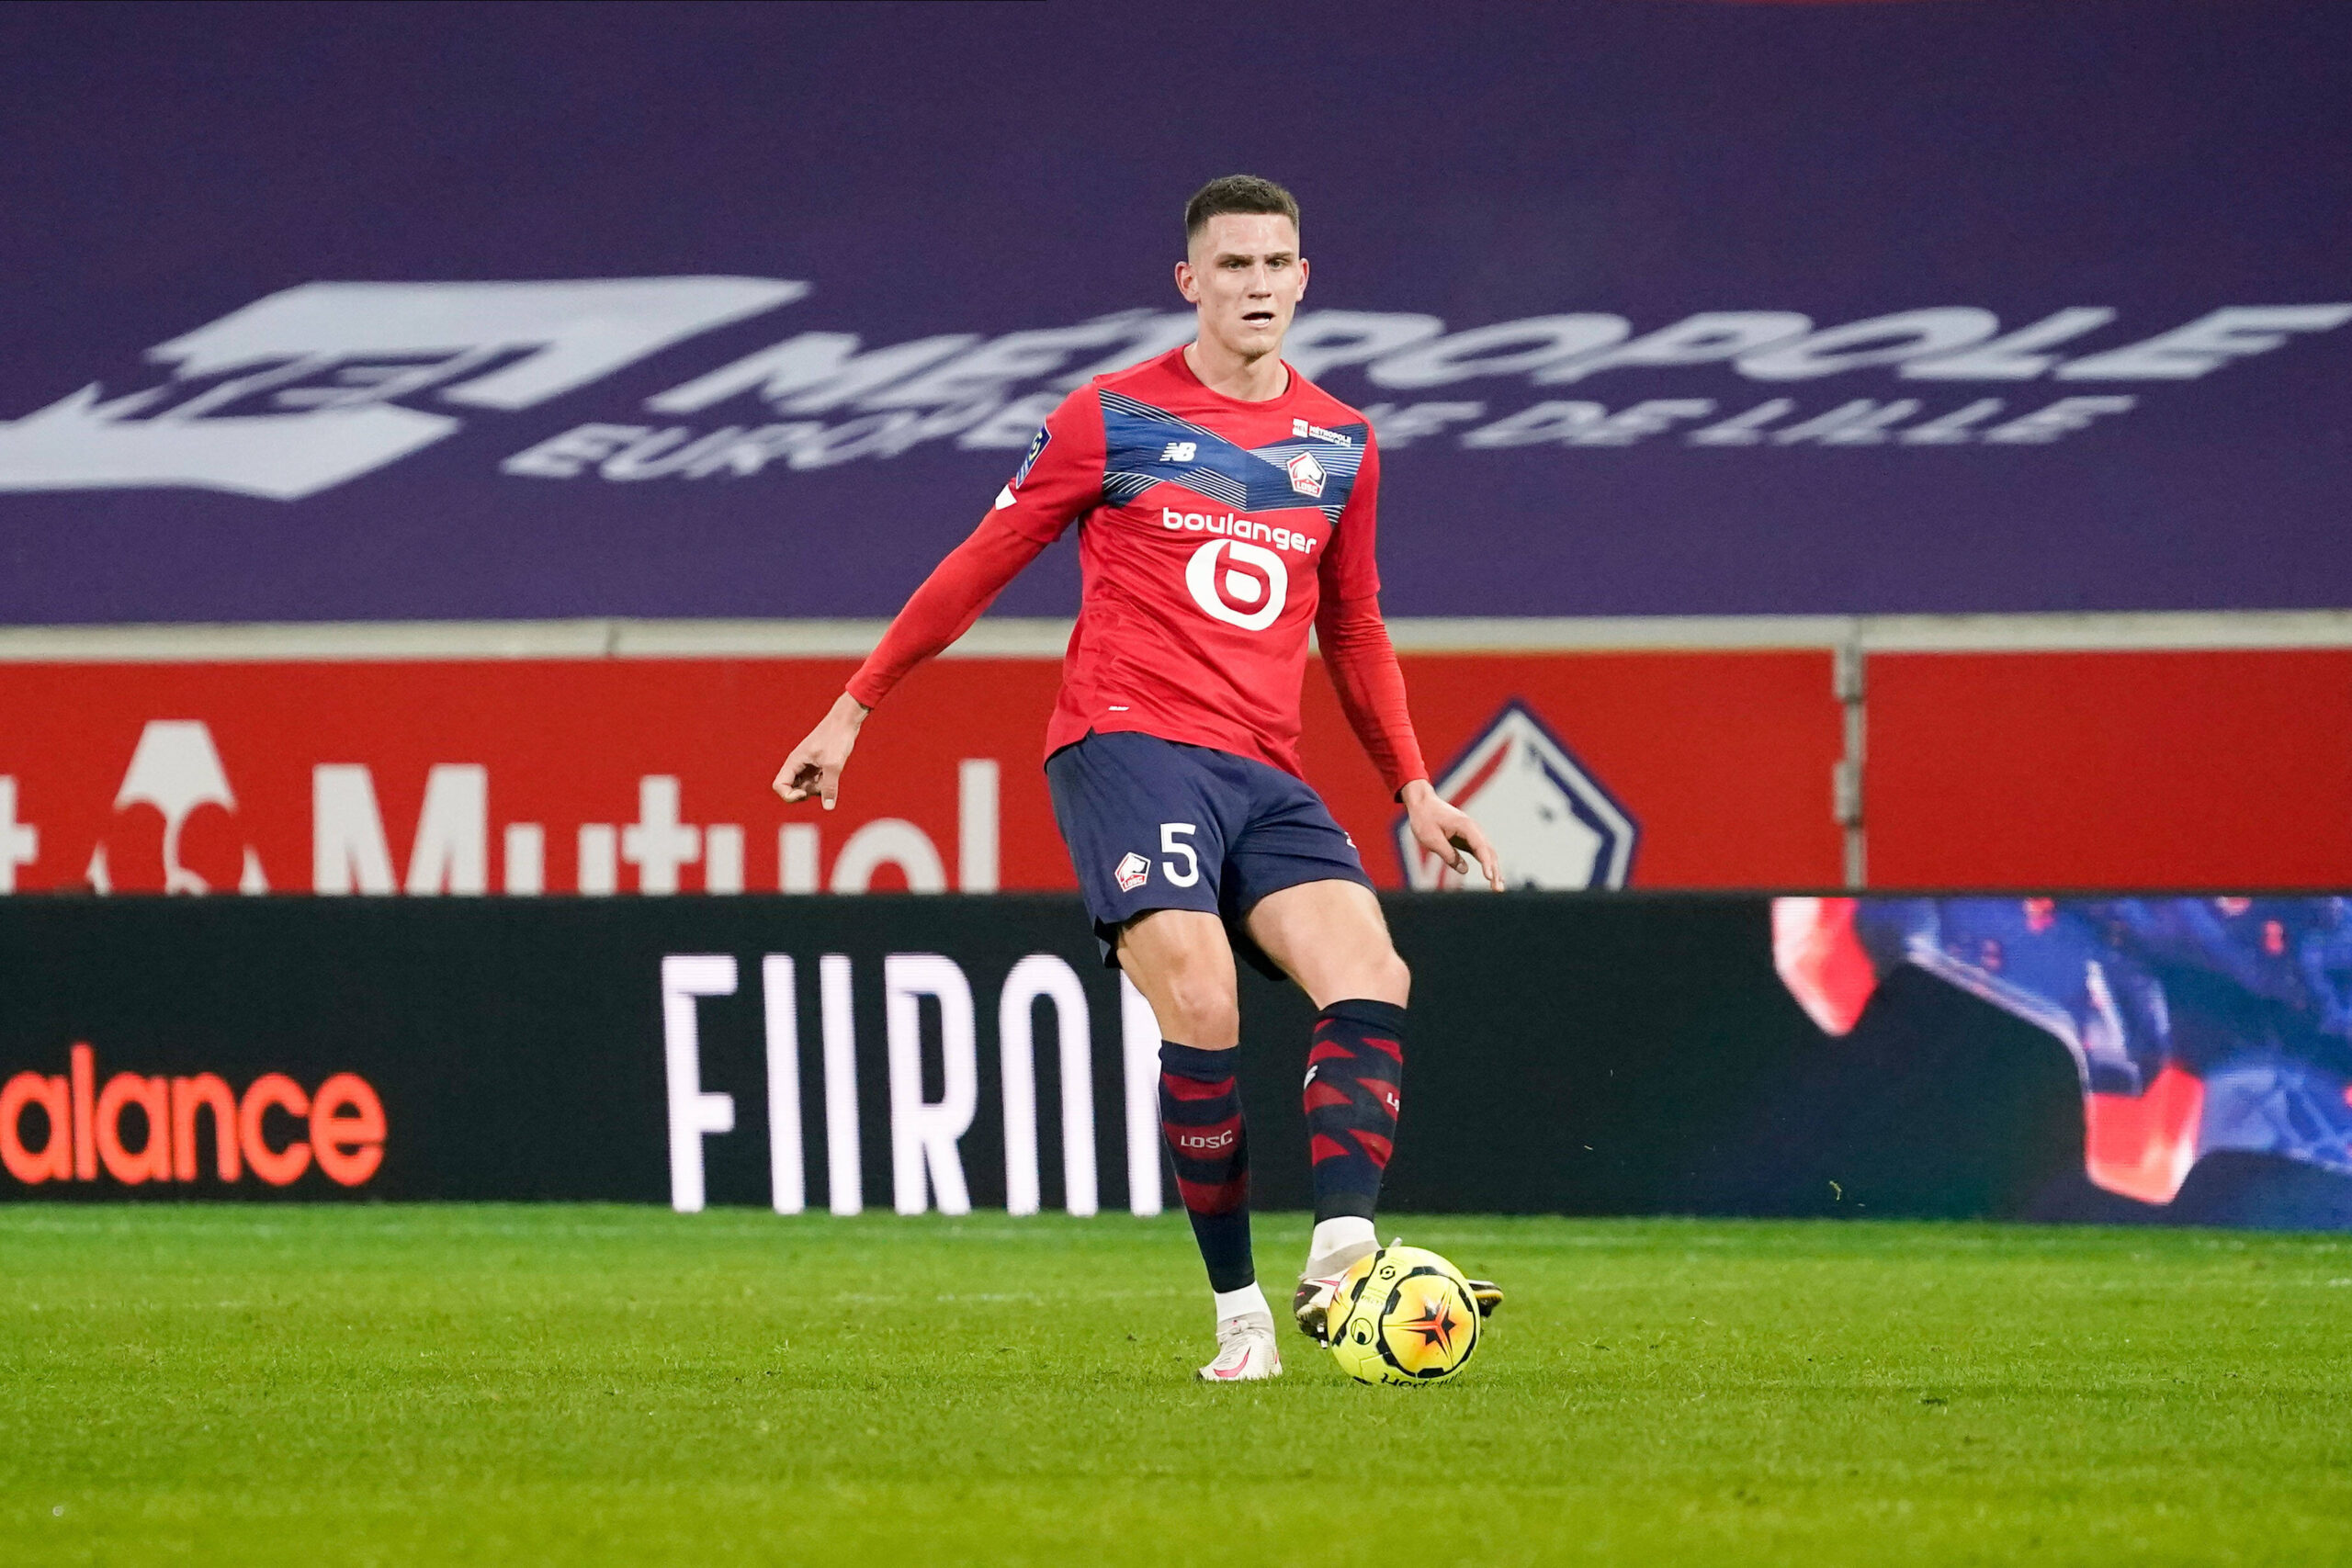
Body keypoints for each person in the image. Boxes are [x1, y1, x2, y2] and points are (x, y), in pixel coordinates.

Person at [775, 174, 1505, 1382]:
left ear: (1303, 279)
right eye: (1232, 266)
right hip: (1127, 745)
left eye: (1275, 265)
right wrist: (856, 705)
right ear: (1190, 283)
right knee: (1204, 1001)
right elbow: (980, 562)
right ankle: (1240, 1318)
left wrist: (1414, 786)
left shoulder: (1341, 443)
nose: (1256, 285)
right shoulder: (1109, 417)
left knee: (1373, 969)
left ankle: (1340, 1255)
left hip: (1263, 768)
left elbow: (1354, 626)